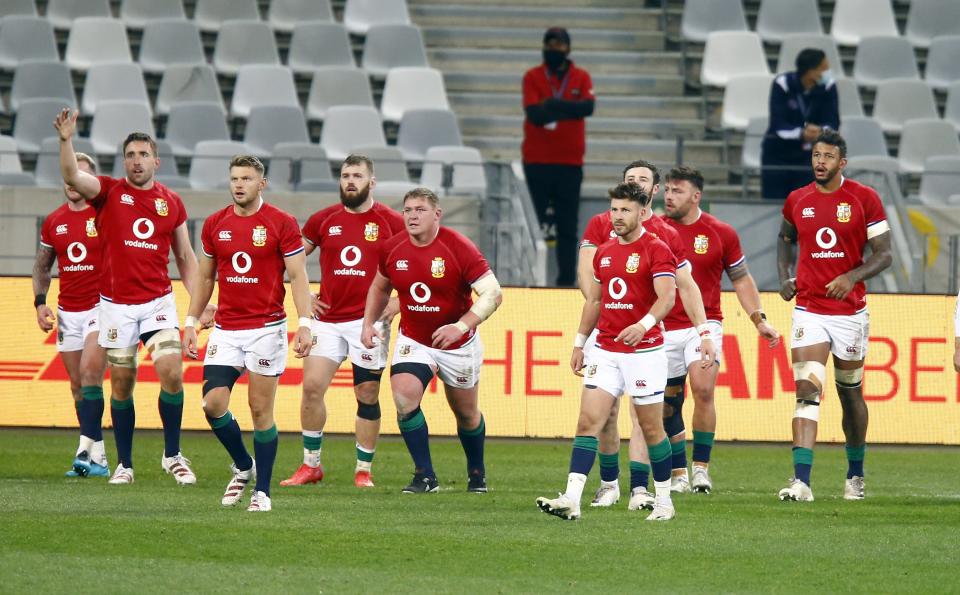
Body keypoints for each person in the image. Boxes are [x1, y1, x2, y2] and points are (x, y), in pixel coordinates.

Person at [55, 109, 214, 486]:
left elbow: (186, 258)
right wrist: (66, 141)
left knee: (172, 373)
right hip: (115, 308)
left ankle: (172, 455)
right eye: (130, 154)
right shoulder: (108, 191)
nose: (136, 160)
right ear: (123, 160)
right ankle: (125, 463)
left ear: (156, 161)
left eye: (143, 154)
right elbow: (72, 175)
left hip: (157, 303)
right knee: (122, 383)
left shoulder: (171, 203)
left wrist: (199, 301)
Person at [537, 182, 678, 521]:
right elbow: (596, 300)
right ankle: (572, 498)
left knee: (651, 427)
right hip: (606, 350)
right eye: (614, 209)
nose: (617, 216)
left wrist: (643, 325)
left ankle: (663, 501)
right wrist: (580, 342)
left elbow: (667, 297)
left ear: (642, 212)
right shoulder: (604, 251)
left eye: (625, 210)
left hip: (645, 353)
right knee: (589, 422)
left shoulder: (656, 249)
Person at [581, 160, 716, 510]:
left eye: (643, 180)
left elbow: (685, 287)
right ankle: (608, 484)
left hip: (652, 336)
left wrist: (704, 331)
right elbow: (590, 281)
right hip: (608, 331)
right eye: (630, 179)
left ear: (653, 192)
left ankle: (641, 488)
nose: (636, 183)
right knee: (603, 414)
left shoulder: (666, 236)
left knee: (645, 415)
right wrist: (600, 319)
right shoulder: (600, 224)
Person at [183, 155, 313, 512]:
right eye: (235, 178)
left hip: (266, 329)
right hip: (226, 329)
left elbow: (298, 277)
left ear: (261, 183)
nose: (239, 184)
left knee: (260, 410)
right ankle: (244, 466)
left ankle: (263, 492)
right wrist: (191, 322)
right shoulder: (214, 224)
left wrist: (305, 323)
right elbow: (206, 277)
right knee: (212, 404)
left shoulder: (281, 223)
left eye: (247, 178)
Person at [362, 188, 503, 493]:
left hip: (458, 345)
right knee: (403, 397)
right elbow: (379, 287)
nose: (412, 216)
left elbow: (493, 293)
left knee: (466, 414)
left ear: (437, 214)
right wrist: (368, 323)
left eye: (420, 210)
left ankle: (476, 472)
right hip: (415, 339)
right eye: (407, 210)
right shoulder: (392, 248)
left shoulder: (459, 247)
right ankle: (425, 475)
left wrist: (461, 326)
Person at [776, 130, 891, 501]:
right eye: (816, 155)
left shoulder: (864, 199)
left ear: (842, 163)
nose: (819, 162)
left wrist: (851, 276)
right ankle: (801, 481)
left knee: (850, 392)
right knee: (807, 388)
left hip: (850, 312)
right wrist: (785, 277)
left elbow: (884, 253)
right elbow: (784, 238)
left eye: (827, 156)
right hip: (810, 308)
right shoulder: (797, 199)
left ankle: (855, 474)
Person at [280, 154, 404, 489]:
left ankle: (363, 469)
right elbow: (291, 264)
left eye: (357, 176)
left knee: (366, 393)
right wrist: (305, 299)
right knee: (311, 388)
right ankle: (311, 465)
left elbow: (415, 264)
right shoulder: (323, 220)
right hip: (328, 320)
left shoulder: (391, 221)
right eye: (346, 175)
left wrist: (399, 301)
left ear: (372, 182)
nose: (350, 181)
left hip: (369, 322)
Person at [663, 166, 781, 493]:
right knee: (669, 404)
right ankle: (678, 474)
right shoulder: (655, 229)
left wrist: (759, 319)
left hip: (704, 325)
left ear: (696, 196)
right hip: (663, 326)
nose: (670, 196)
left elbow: (741, 278)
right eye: (668, 190)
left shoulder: (720, 233)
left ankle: (700, 468)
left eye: (678, 191)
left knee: (703, 389)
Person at [34, 152, 109, 477]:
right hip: (68, 311)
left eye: (81, 174)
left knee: (91, 374)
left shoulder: (105, 215)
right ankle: (99, 459)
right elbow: (41, 266)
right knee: (77, 385)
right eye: (70, 174)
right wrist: (40, 301)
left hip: (101, 306)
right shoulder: (54, 221)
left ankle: (82, 450)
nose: (73, 180)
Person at [522, 26, 594, 286]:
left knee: (567, 229)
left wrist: (551, 104)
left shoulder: (581, 76)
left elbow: (588, 107)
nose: (555, 49)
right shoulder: (532, 76)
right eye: (551, 44)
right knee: (534, 226)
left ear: (568, 48)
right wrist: (568, 110)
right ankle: (527, 278)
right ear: (543, 46)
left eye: (560, 45)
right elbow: (535, 115)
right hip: (537, 163)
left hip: (569, 164)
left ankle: (566, 282)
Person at [761, 48, 840, 200]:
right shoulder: (782, 84)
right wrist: (801, 133)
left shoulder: (829, 86)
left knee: (806, 207)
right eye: (824, 68)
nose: (827, 72)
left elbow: (833, 122)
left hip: (809, 157)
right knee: (773, 206)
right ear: (811, 72)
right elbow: (778, 125)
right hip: (778, 155)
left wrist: (820, 131)